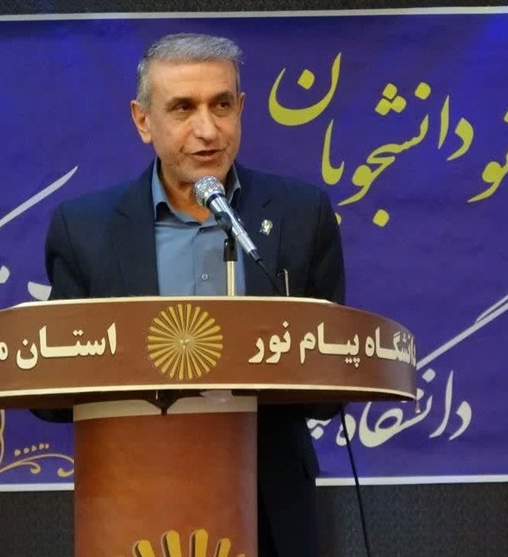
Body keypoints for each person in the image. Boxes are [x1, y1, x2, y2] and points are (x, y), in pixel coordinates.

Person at [40, 33, 345, 557]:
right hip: (134, 501)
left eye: (221, 105)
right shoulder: (84, 228)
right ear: (143, 121)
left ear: (241, 108)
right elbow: (53, 396)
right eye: (183, 108)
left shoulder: (300, 214)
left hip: (268, 504)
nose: (207, 130)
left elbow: (328, 389)